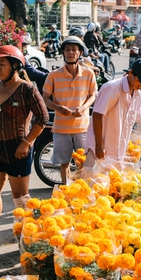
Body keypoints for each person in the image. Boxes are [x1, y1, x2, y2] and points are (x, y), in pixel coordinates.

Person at [0, 46, 48, 246]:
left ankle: (29, 239)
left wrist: (26, 142)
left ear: (15, 66)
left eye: (2, 64)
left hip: (18, 151)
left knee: (20, 198)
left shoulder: (27, 89)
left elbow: (43, 118)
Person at [43, 36, 97, 184]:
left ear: (80, 52)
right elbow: (45, 98)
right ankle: (66, 188)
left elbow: (93, 95)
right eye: (67, 49)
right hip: (61, 128)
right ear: (63, 52)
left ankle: (82, 190)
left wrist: (84, 107)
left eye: (74, 49)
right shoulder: (53, 75)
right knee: (64, 163)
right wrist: (58, 107)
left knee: (84, 163)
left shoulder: (88, 73)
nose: (71, 52)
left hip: (83, 127)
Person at [85, 59, 141, 166]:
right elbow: (97, 115)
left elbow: (132, 124)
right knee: (92, 180)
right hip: (101, 149)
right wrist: (99, 145)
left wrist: (131, 148)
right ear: (130, 73)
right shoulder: (112, 88)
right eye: (140, 81)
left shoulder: (137, 94)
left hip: (119, 152)